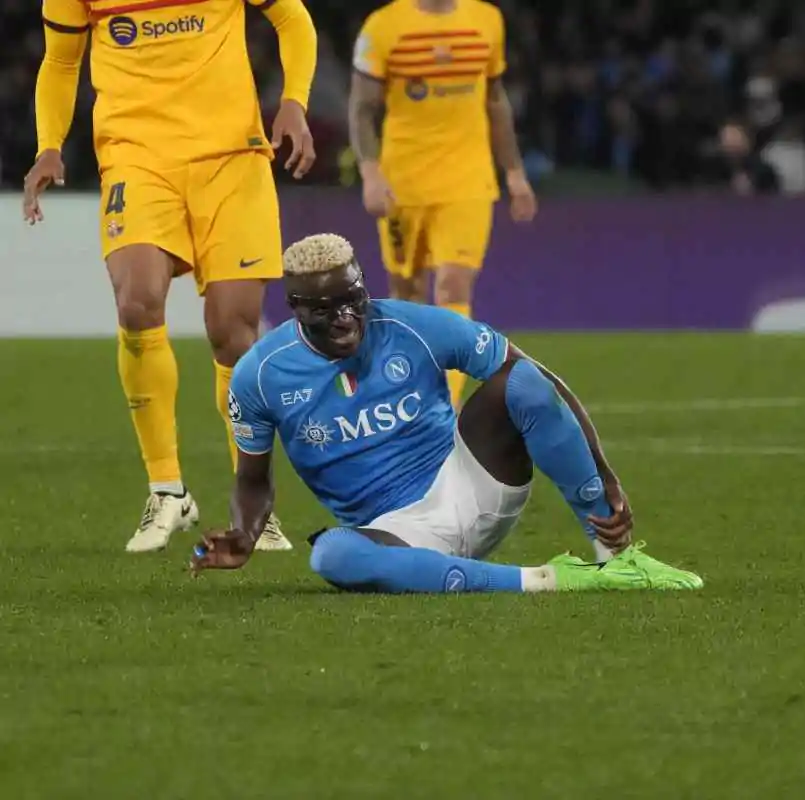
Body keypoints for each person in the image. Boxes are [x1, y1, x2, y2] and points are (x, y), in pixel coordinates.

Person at [188, 234, 702, 594]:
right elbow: (252, 479)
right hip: (397, 535)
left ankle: (618, 559)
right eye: (326, 310)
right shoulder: (259, 375)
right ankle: (552, 580)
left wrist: (604, 475)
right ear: (297, 309)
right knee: (331, 556)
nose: (346, 319)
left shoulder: (412, 325)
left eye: (354, 300)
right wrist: (244, 534)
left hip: (472, 485)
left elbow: (539, 380)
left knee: (521, 379)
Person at [23, 0, 319, 553]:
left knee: (232, 331)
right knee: (136, 301)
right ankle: (166, 490)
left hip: (232, 158)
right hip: (137, 157)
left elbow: (292, 17)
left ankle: (252, 501)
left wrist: (293, 102)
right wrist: (48, 146)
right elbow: (60, 61)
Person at [347, 0, 537, 410]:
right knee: (408, 292)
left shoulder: (487, 20)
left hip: (468, 180)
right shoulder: (383, 26)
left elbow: (495, 100)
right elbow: (362, 108)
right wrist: (371, 173)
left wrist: (515, 174)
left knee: (454, 284)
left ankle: (443, 406)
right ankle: (406, 389)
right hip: (404, 183)